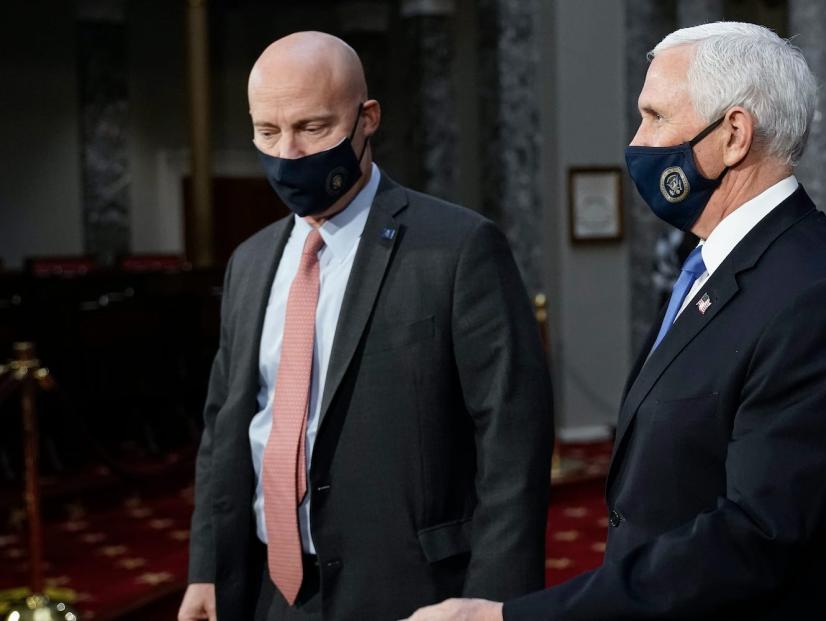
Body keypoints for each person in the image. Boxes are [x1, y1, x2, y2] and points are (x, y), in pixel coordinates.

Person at [411, 21, 826, 621]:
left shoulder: (820, 296)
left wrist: (512, 617)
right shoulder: (718, 264)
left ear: (734, 135)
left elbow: (753, 537)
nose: (638, 142)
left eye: (655, 117)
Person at [177, 31, 553, 621]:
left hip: (415, 591)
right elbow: (228, 424)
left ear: (366, 118)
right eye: (268, 132)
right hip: (271, 590)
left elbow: (513, 433)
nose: (289, 153)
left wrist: (495, 598)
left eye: (313, 127)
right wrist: (207, 566)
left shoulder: (458, 247)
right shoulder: (250, 261)